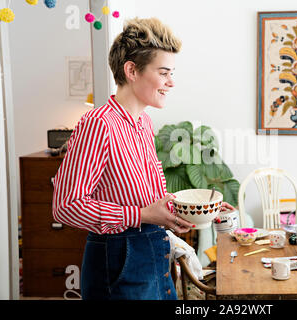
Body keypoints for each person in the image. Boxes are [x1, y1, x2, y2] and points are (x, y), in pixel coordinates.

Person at [52, 17, 235, 300]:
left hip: (153, 257)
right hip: (119, 263)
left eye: (172, 73)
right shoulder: (98, 124)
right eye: (164, 73)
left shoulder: (144, 123)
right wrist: (141, 215)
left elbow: (147, 200)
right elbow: (66, 206)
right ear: (132, 71)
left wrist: (198, 209)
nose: (171, 82)